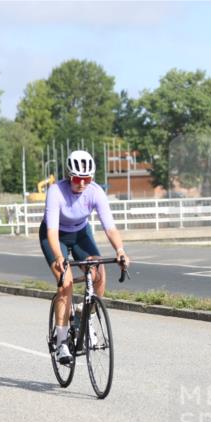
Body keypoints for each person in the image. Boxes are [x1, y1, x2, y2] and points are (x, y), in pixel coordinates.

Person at [40, 149, 130, 364]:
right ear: (69, 176)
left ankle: (84, 313)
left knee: (99, 271)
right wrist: (59, 257)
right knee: (66, 282)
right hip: (55, 235)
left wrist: (120, 250)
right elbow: (51, 231)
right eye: (78, 179)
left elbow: (110, 227)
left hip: (80, 233)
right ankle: (61, 340)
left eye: (87, 179)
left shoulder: (95, 192)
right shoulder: (56, 191)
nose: (82, 184)